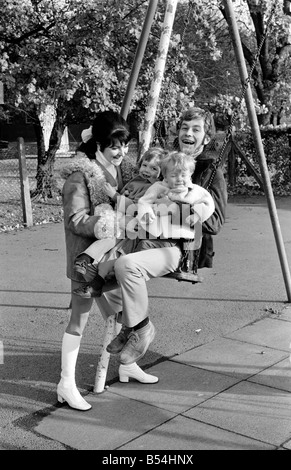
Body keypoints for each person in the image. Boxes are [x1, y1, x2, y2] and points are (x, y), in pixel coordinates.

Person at [105, 106, 228, 367]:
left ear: (206, 138)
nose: (188, 133)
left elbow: (214, 222)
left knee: (125, 266)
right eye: (184, 127)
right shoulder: (167, 163)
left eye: (196, 129)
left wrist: (171, 208)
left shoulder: (209, 172)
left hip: (181, 248)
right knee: (103, 272)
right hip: (147, 237)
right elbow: (146, 195)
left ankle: (140, 328)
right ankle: (132, 326)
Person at [58, 111, 159, 412]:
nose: (121, 152)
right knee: (79, 321)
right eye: (115, 146)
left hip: (114, 256)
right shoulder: (80, 176)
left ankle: (126, 367)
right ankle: (66, 383)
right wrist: (111, 224)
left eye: (125, 145)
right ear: (99, 144)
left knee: (126, 310)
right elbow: (75, 220)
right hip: (86, 262)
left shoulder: (122, 172)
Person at [71, 147, 167, 299]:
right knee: (109, 243)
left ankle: (91, 271)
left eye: (154, 168)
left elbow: (137, 207)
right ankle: (86, 263)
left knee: (112, 249)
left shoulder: (154, 188)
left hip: (134, 228)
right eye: (145, 165)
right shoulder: (136, 180)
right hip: (121, 221)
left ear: (162, 173)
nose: (147, 170)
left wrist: (115, 196)